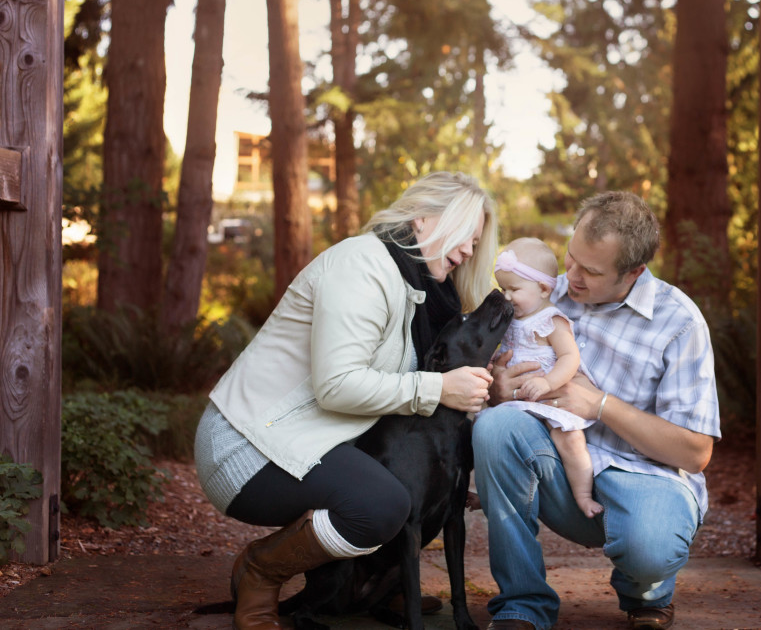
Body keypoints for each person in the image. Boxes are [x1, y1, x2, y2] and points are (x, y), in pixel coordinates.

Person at [193, 171, 499, 630]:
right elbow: (337, 385)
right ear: (421, 220)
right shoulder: (364, 266)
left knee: (425, 492)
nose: (471, 251)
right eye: (465, 235)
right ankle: (262, 569)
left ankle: (379, 585)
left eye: (477, 242)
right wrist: (437, 388)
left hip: (310, 440)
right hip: (248, 445)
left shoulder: (420, 291)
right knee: (380, 505)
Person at [473, 192, 721, 630]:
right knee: (495, 427)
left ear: (634, 272)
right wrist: (501, 389)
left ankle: (647, 592)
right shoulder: (547, 293)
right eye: (571, 259)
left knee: (649, 549)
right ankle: (521, 604)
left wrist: (600, 405)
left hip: (646, 477)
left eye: (590, 271)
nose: (571, 277)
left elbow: (695, 452)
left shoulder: (679, 322)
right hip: (560, 469)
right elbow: (499, 375)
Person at [491, 237, 601, 518]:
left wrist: (548, 382)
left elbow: (570, 358)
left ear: (542, 288)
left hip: (549, 399)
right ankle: (493, 489)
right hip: (517, 402)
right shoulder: (509, 318)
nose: (506, 296)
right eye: (503, 288)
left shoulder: (552, 320)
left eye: (513, 289)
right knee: (490, 436)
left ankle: (583, 495)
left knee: (571, 439)